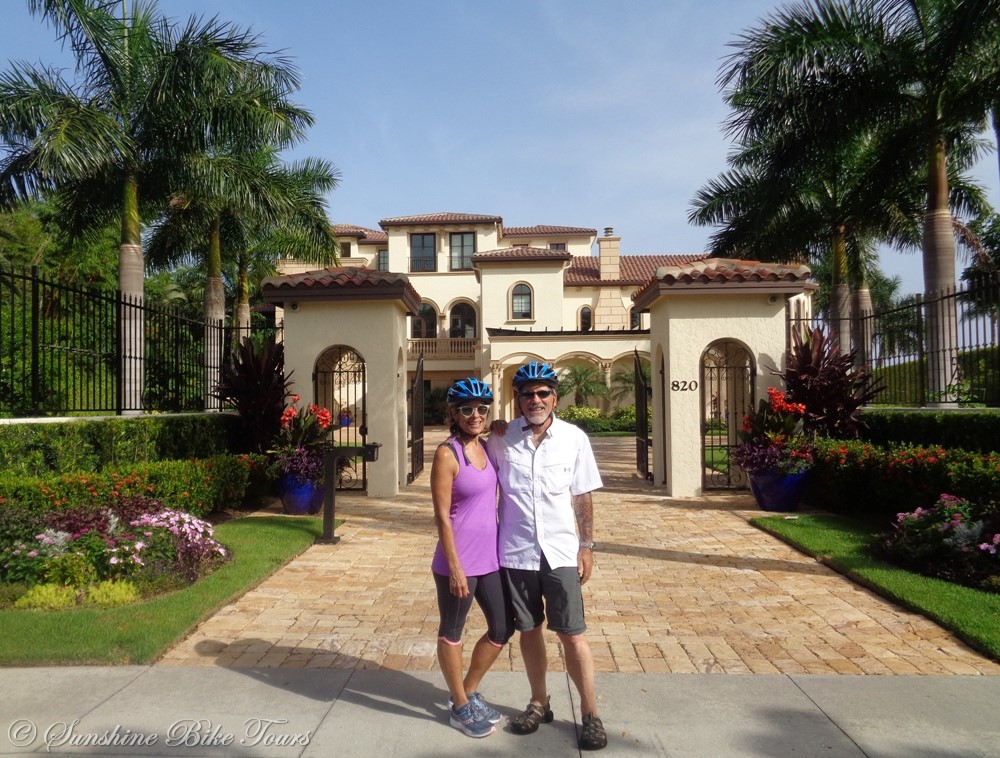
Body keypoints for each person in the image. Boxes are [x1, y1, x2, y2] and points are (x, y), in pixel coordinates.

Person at [486, 361, 608, 751]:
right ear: (517, 399)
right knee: (529, 630)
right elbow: (478, 473)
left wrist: (586, 546)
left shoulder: (574, 439)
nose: (535, 400)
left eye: (542, 393)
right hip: (516, 552)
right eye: (527, 393)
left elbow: (581, 496)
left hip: (560, 553)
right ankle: (539, 702)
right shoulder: (501, 439)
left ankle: (590, 712)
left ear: (555, 397)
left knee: (572, 634)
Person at [430, 377, 514, 739]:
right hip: (458, 562)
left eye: (482, 409)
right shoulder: (447, 454)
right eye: (467, 409)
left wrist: (502, 428)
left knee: (502, 627)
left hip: (489, 559)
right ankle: (460, 707)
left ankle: (465, 691)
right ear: (454, 413)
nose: (475, 415)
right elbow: (441, 516)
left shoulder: (486, 445)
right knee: (452, 631)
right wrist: (455, 568)